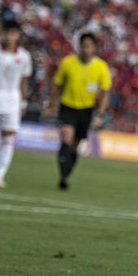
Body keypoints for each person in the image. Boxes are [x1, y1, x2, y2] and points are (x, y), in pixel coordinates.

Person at [44, 32, 112, 190]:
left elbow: (104, 93)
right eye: (84, 45)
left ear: (94, 48)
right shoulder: (68, 63)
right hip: (68, 107)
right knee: (66, 138)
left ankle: (65, 176)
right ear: (79, 46)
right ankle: (62, 175)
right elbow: (57, 85)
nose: (87, 49)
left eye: (90, 46)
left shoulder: (101, 67)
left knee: (75, 146)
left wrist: (99, 115)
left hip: (86, 110)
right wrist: (52, 105)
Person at [0, 20, 32, 188]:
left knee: (8, 138)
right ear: (3, 33)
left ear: (18, 36)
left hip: (11, 101)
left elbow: (24, 81)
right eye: (7, 33)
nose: (10, 37)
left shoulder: (24, 56)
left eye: (13, 33)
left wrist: (22, 102)